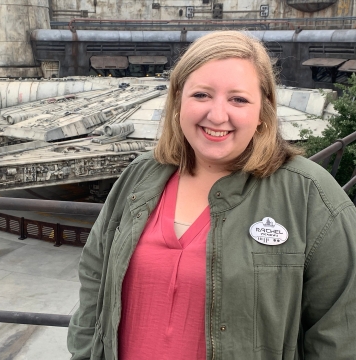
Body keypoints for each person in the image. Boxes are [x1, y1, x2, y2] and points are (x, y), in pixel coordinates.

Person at [67, 31, 356, 360]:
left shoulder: (310, 195)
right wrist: (85, 351)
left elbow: (341, 331)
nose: (218, 116)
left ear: (263, 111)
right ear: (178, 101)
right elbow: (94, 271)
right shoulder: (141, 174)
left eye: (239, 99)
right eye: (202, 95)